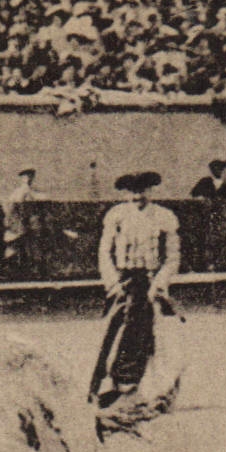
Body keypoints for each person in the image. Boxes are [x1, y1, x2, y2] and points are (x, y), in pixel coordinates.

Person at [89, 171, 180, 407]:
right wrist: (113, 283)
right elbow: (104, 253)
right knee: (113, 333)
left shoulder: (164, 216)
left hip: (150, 282)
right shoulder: (116, 215)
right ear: (126, 193)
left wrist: (159, 285)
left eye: (143, 190)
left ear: (151, 190)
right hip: (123, 282)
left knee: (153, 335)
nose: (138, 196)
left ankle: (150, 390)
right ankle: (107, 386)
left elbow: (172, 257)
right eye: (132, 191)